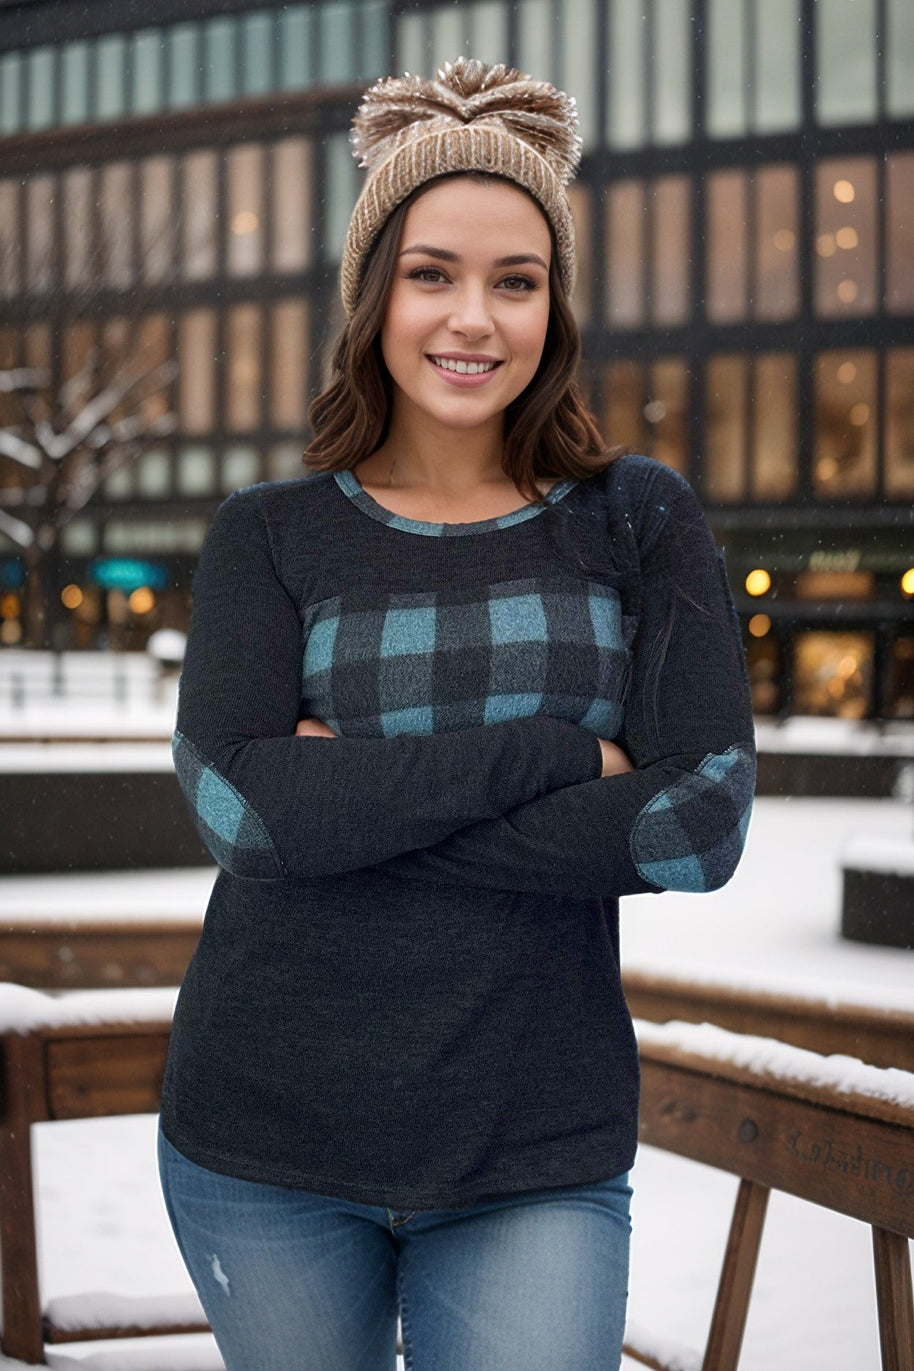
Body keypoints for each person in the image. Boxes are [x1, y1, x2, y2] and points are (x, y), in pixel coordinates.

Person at [159, 58, 756, 1371]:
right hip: (263, 1137)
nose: (471, 317)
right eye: (431, 272)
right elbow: (240, 812)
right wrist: (561, 761)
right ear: (372, 295)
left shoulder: (634, 519)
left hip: (531, 1146)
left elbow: (693, 828)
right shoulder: (271, 533)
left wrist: (350, 803)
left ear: (556, 303)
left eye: (515, 278)